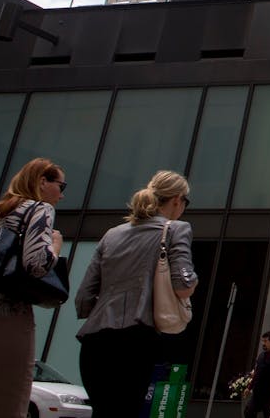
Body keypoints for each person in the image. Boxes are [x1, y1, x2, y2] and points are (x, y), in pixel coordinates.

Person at [75, 170, 198, 418]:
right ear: (176, 199)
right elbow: (183, 285)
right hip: (136, 340)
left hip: (94, 343)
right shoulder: (176, 229)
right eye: (186, 202)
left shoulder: (112, 234)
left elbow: (83, 299)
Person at [0, 158, 65, 417]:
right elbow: (37, 264)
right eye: (61, 186)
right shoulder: (39, 209)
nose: (62, 196)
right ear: (43, 182)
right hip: (4, 322)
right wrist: (55, 246)